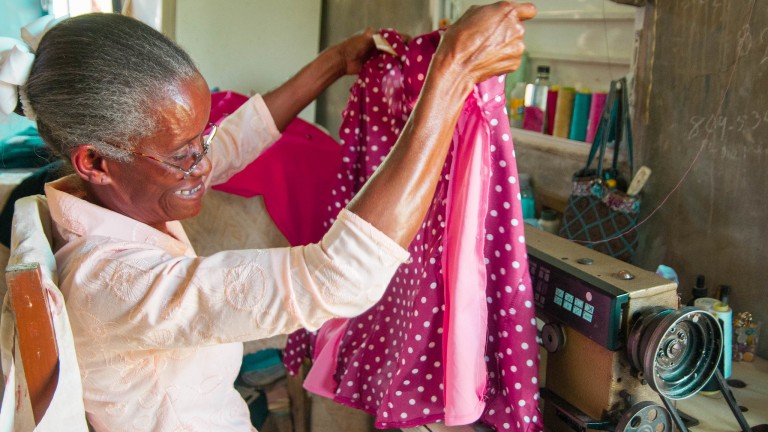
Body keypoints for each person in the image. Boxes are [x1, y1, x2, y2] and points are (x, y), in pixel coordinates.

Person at [7, 2, 535, 431]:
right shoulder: (112, 282)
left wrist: (332, 63)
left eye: (203, 136)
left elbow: (233, 143)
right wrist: (451, 73)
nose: (204, 162)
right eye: (184, 153)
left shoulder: (112, 199)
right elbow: (337, 277)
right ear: (96, 162)